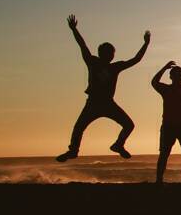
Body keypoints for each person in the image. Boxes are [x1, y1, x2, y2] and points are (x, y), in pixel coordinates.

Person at [57, 14, 150, 161]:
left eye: (112, 53)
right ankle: (73, 151)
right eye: (108, 53)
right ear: (101, 54)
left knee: (129, 125)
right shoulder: (93, 62)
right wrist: (74, 30)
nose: (110, 55)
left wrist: (146, 44)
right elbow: (83, 45)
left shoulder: (115, 67)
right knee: (79, 128)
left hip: (108, 103)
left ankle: (118, 145)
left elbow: (136, 60)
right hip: (93, 103)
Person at [150, 61, 181, 183]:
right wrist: (164, 68)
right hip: (169, 126)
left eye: (180, 75)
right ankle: (159, 179)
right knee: (165, 154)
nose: (178, 77)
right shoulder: (166, 89)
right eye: (176, 75)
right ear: (171, 77)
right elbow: (154, 82)